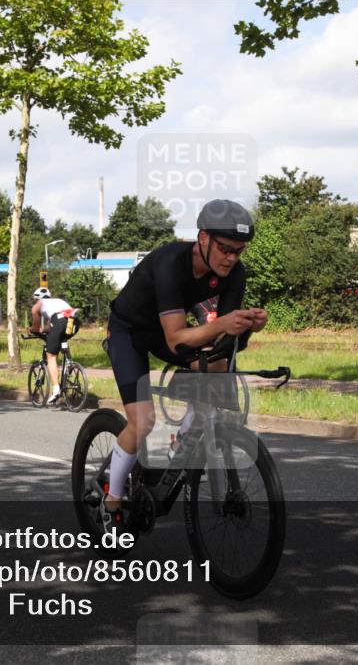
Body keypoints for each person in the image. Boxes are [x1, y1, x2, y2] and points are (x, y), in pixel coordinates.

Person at [102, 199, 268, 530]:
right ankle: (112, 497)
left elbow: (222, 336)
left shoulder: (235, 273)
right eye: (225, 249)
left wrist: (246, 325)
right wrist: (224, 324)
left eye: (239, 251)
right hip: (130, 332)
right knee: (143, 421)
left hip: (169, 332)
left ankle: (187, 436)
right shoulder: (170, 264)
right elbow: (177, 337)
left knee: (217, 367)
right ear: (203, 239)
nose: (232, 258)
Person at [29, 287, 80, 405]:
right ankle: (69, 364)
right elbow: (53, 325)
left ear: (36, 298)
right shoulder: (58, 302)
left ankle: (56, 389)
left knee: (51, 356)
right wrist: (45, 329)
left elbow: (35, 328)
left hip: (59, 321)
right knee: (62, 339)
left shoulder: (37, 305)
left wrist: (32, 330)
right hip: (74, 321)